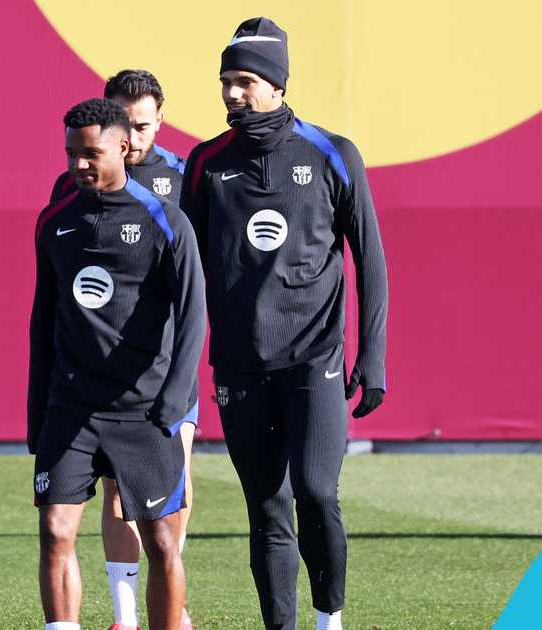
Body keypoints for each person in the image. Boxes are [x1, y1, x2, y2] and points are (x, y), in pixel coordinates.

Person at [180, 17, 389, 630]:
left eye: (245, 81)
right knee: (267, 507)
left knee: (317, 492)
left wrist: (372, 355)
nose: (231, 93)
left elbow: (371, 260)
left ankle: (330, 620)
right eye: (226, 81)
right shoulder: (206, 163)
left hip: (314, 357)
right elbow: (183, 271)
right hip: (238, 364)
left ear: (277, 84)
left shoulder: (333, 153)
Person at [28, 98, 206, 630]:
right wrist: (37, 410)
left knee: (161, 541)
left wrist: (173, 402)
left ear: (123, 147)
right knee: (56, 531)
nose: (78, 164)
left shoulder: (166, 221)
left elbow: (193, 316)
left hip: (143, 412)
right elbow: (43, 320)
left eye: (90, 153)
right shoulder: (54, 221)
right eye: (71, 154)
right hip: (72, 408)